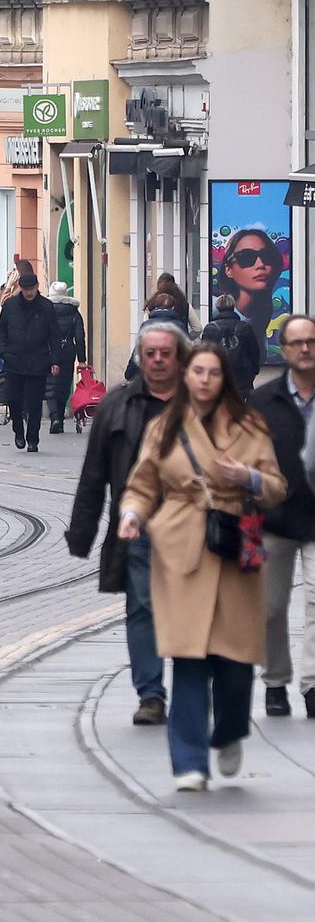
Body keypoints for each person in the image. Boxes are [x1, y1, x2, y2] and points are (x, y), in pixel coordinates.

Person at [117, 342, 286, 791]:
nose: (205, 380)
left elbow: (274, 487)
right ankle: (189, 762)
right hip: (179, 548)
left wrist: (246, 478)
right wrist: (132, 515)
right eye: (198, 372)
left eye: (213, 373)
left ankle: (229, 732)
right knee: (189, 659)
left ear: (223, 378)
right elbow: (142, 481)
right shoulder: (166, 426)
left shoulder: (249, 425)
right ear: (186, 377)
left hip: (233, 547)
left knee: (234, 664)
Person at [67, 320, 189, 726]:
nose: (156, 361)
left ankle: (194, 688)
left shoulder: (201, 402)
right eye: (149, 353)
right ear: (139, 356)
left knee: (194, 608)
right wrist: (82, 532)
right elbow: (93, 472)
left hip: (194, 529)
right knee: (142, 607)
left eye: (164, 354)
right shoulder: (117, 405)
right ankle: (151, 694)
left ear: (180, 357)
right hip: (136, 526)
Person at [251, 314, 315, 718]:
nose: (306, 349)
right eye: (298, 343)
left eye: (312, 341)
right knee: (271, 607)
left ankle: (313, 685)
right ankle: (275, 680)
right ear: (285, 350)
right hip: (275, 517)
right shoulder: (264, 400)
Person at [0, 272, 61, 452]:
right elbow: (1, 330)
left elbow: (54, 335)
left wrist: (55, 360)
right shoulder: (10, 305)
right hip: (13, 361)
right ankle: (18, 430)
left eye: (32, 289)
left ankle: (33, 437)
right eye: (26, 289)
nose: (29, 292)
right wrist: (3, 351)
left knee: (34, 403)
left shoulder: (46, 307)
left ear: (37, 287)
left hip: (38, 361)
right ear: (21, 288)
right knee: (14, 401)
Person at [218, 229, 283, 348]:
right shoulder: (216, 310)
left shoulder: (265, 316)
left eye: (267, 256)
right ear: (229, 270)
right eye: (246, 257)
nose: (260, 264)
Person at [45, 281, 88, 433]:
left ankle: (54, 417)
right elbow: (80, 337)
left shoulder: (46, 310)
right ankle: (61, 420)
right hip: (68, 352)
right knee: (64, 385)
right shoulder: (74, 312)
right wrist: (82, 360)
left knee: (50, 385)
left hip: (49, 351)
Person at [200, 294, 262, 393]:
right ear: (233, 306)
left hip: (218, 373)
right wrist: (254, 371)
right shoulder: (244, 327)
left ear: (217, 307)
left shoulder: (210, 328)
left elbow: (204, 353)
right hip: (242, 374)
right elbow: (254, 351)